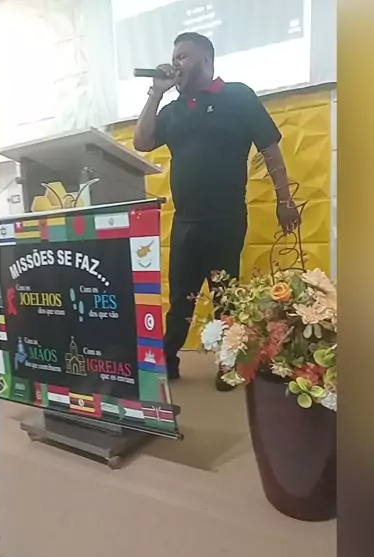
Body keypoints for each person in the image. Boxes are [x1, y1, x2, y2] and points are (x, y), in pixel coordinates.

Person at [134, 32, 300, 391]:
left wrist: (284, 200)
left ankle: (229, 364)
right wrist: (156, 93)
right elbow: (142, 141)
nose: (175, 63)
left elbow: (270, 149)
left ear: (206, 59)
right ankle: (168, 360)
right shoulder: (173, 109)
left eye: (183, 56)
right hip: (185, 221)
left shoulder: (237, 96)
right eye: (174, 58)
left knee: (226, 297)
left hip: (225, 219)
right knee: (181, 299)